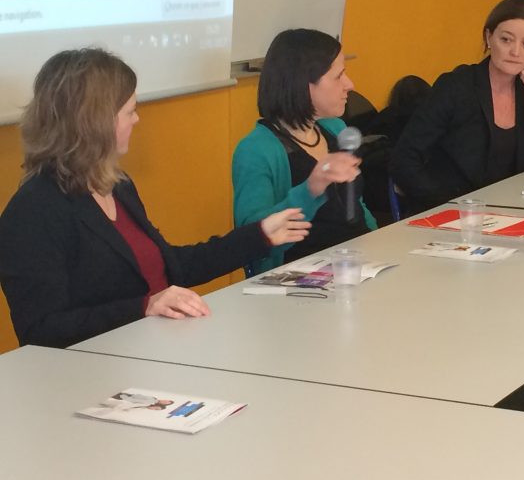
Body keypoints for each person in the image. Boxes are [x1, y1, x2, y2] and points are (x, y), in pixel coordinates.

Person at [0, 49, 310, 350]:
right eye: (129, 111)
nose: (137, 120)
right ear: (94, 122)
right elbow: (41, 330)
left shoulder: (117, 185)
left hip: (153, 349)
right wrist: (144, 306)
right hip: (95, 371)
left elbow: (171, 266)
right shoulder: (33, 212)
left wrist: (259, 235)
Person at [390, 0, 524, 213]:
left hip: (515, 214)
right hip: (454, 213)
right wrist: (451, 206)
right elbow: (403, 160)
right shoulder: (456, 86)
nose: (516, 52)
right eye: (506, 40)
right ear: (488, 36)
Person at [232, 29, 377, 274]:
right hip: (300, 281)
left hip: (356, 265)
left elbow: (356, 206)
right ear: (304, 84)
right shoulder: (256, 151)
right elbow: (252, 239)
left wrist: (378, 241)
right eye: (338, 75)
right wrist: (310, 189)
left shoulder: (335, 129)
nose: (349, 85)